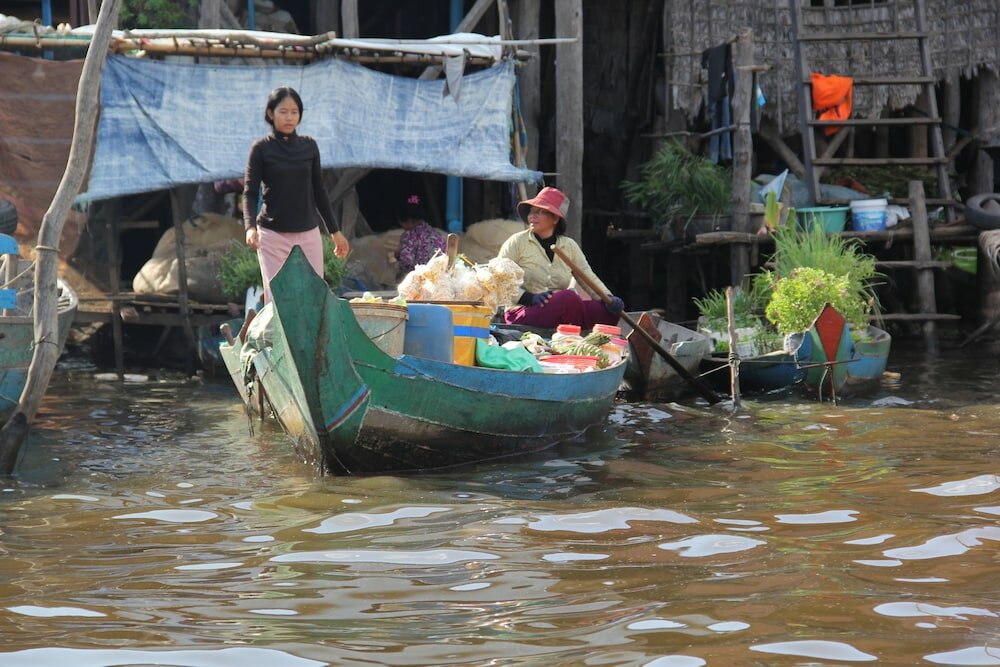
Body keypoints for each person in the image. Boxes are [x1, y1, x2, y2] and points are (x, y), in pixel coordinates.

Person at [243, 86, 350, 303]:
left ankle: (310, 339)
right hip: (272, 235)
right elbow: (250, 192)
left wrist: (335, 231)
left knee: (314, 298)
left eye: (294, 112)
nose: (289, 117)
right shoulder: (261, 149)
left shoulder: (309, 146)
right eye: (283, 111)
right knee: (278, 301)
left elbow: (319, 191)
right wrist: (249, 227)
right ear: (271, 114)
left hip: (308, 233)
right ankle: (275, 338)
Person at [497, 186, 624, 330]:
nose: (532, 216)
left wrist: (607, 297)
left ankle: (570, 328)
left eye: (540, 212)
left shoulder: (569, 245)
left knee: (608, 312)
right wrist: (529, 297)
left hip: (561, 309)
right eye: (531, 212)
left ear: (555, 218)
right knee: (568, 299)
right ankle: (572, 330)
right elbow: (499, 278)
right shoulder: (517, 242)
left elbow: (586, 275)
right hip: (524, 311)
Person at [396, 193, 446, 277]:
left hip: (419, 277)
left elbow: (407, 262)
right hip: (438, 276)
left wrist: (398, 255)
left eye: (402, 223)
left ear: (410, 221)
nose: (402, 226)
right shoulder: (436, 235)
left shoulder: (408, 237)